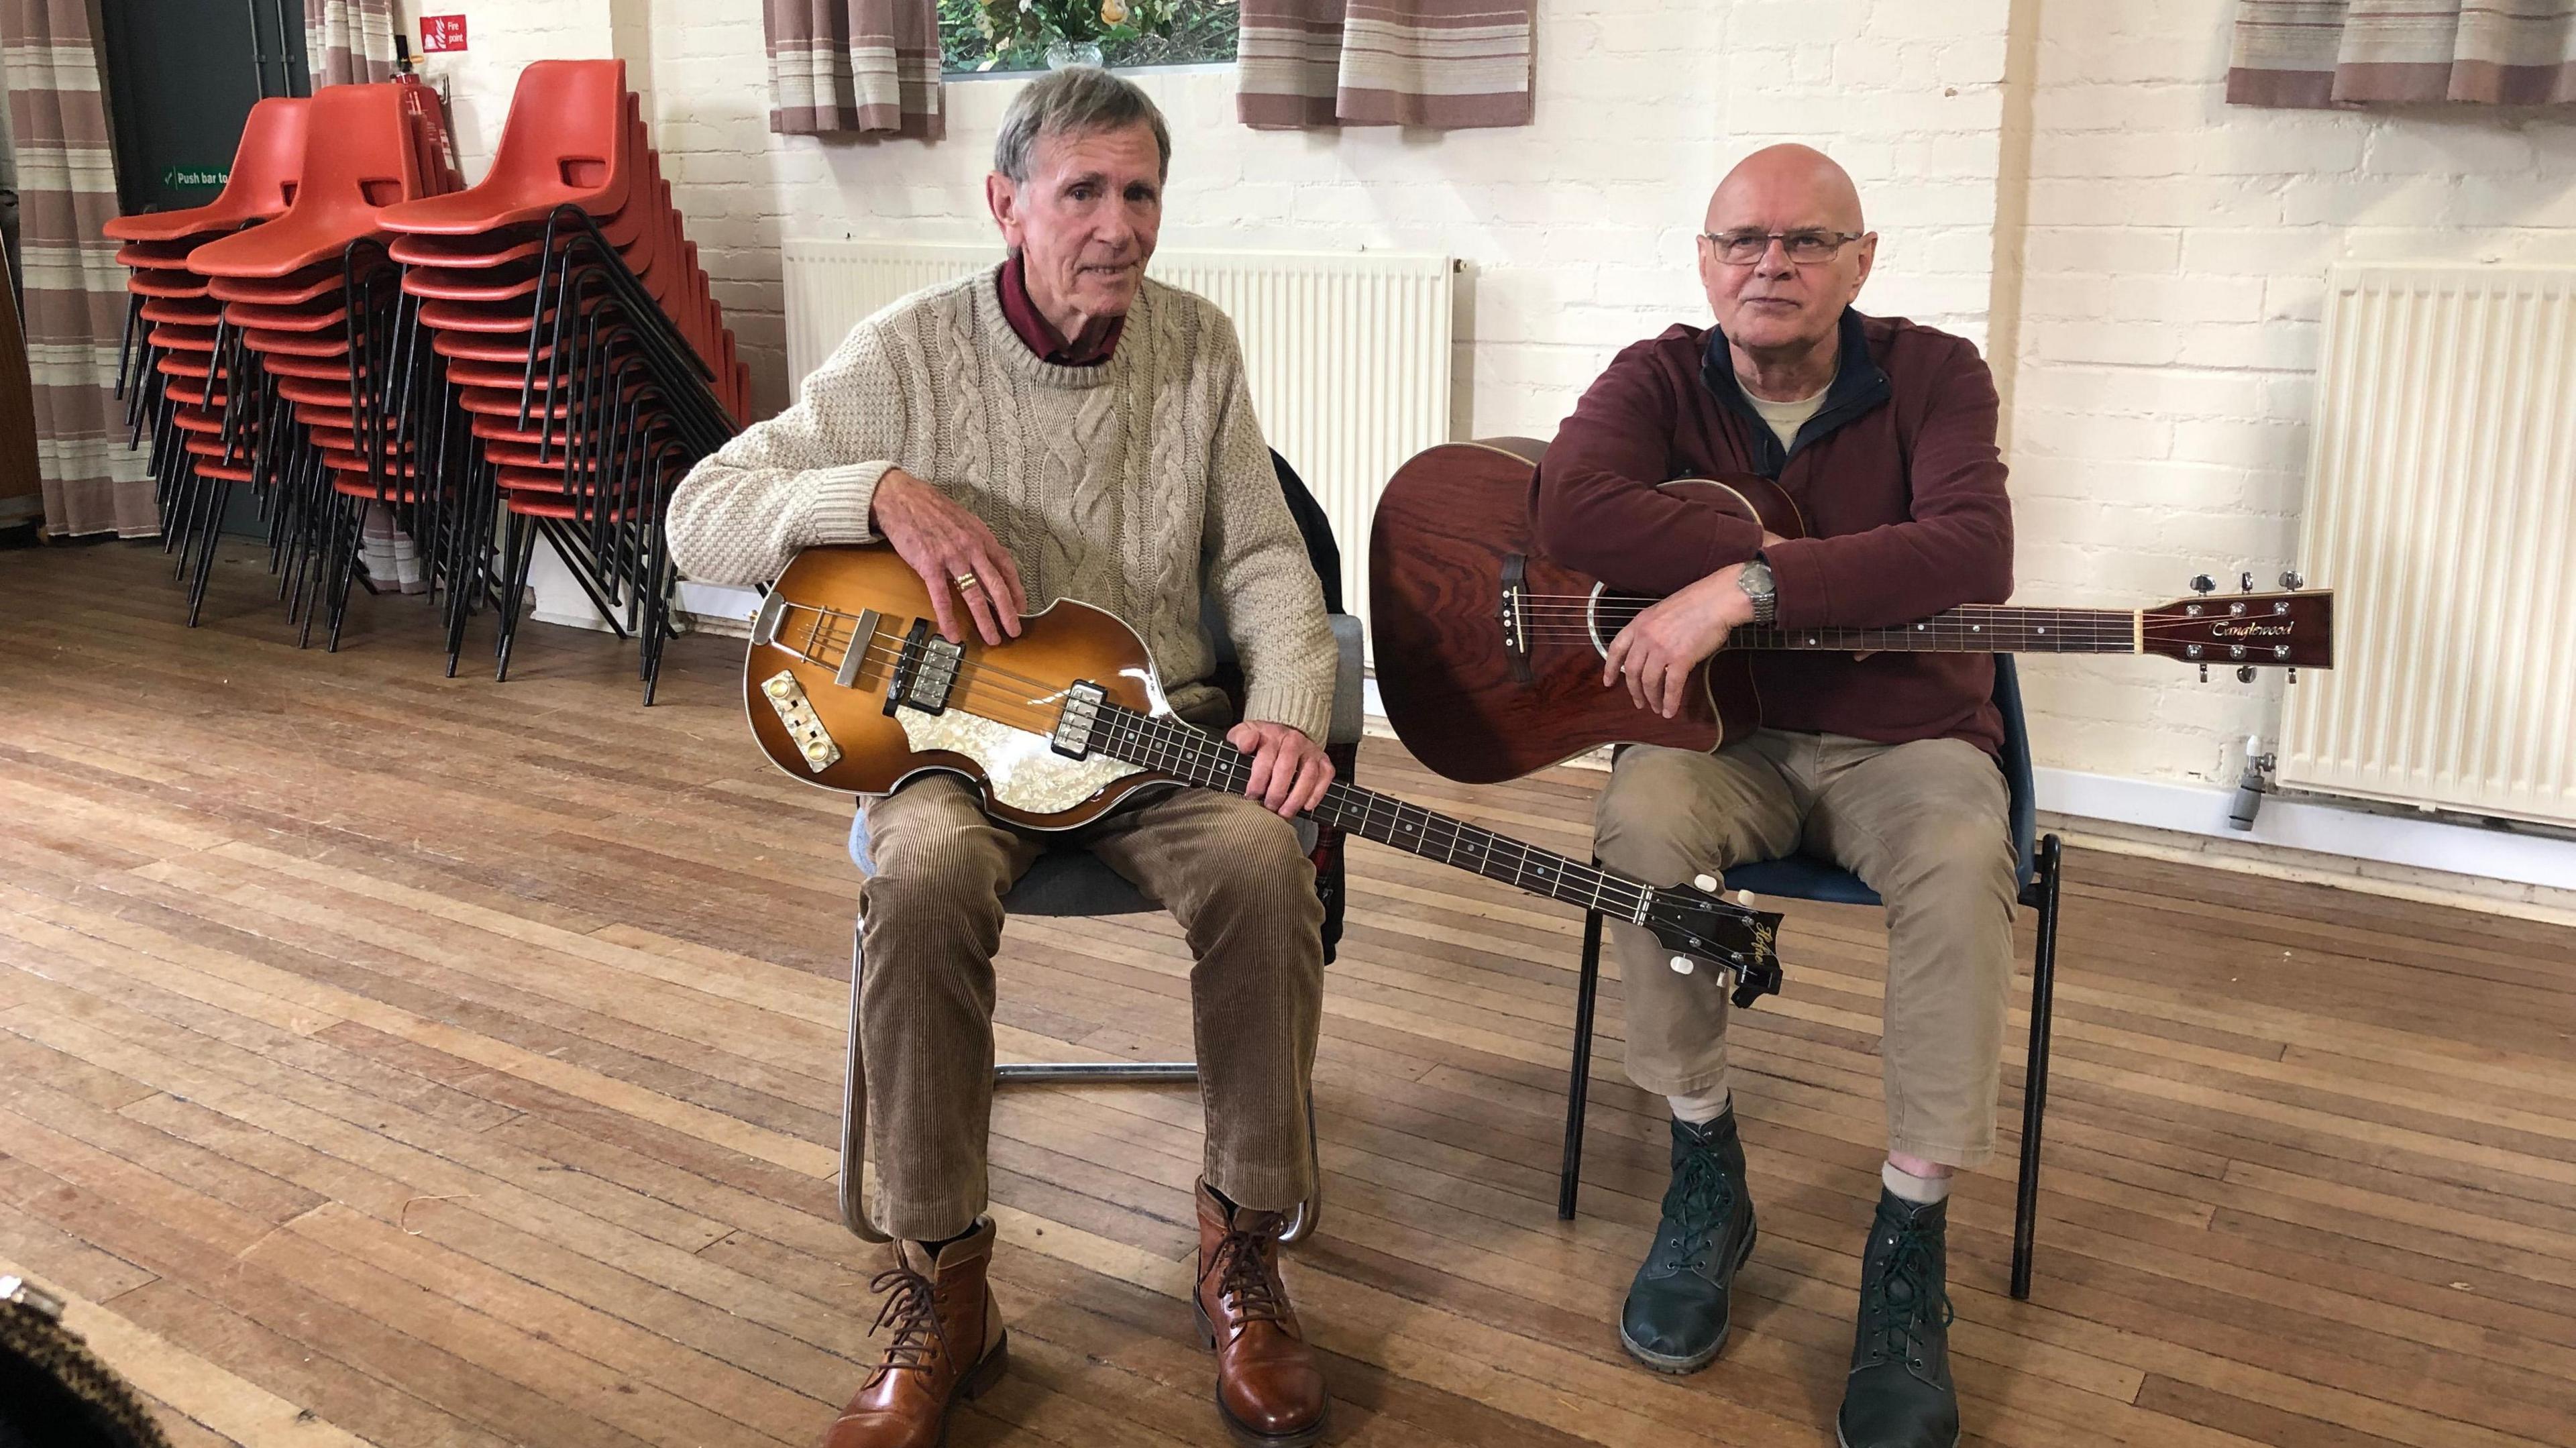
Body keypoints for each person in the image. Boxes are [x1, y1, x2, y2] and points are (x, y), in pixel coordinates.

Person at [663, 68, 1336, 1448]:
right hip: (961, 751)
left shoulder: (1197, 348)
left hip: (1154, 736)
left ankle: (1239, 1245)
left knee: (1268, 864)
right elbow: (698, 517)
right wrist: (875, 494)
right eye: (1081, 190)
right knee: (915, 880)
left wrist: (1287, 702)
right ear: (1006, 202)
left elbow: (1269, 557)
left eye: (1139, 191)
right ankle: (945, 1278)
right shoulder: (909, 352)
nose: (1116, 225)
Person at [1534, 144, 2017, 1448]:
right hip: (1722, 739)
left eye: (1808, 243)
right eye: (1744, 240)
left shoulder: (1936, 376)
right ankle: (1705, 1167)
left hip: (1905, 738)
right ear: (1704, 260)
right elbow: (1571, 510)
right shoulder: (1657, 375)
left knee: (1970, 862)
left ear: (1863, 263)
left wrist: (1742, 589)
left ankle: (1910, 1238)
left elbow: (1971, 549)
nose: (1773, 264)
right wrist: (1789, 557)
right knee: (1639, 827)